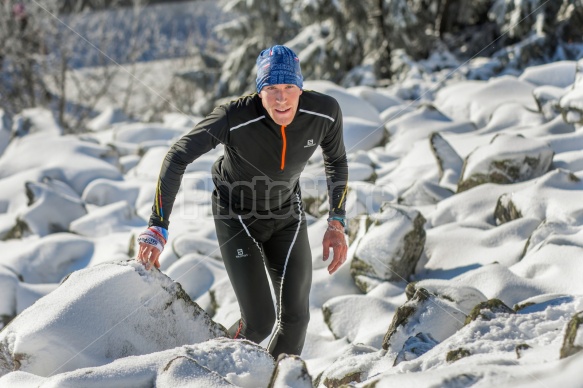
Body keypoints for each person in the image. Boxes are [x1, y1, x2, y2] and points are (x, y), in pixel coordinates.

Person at [136, 45, 349, 358]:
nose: (281, 98)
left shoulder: (324, 113)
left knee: (296, 320)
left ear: (300, 88)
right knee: (259, 323)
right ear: (259, 91)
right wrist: (158, 226)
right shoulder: (233, 117)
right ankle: (207, 366)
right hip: (235, 215)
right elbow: (177, 155)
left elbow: (337, 160)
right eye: (271, 88)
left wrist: (337, 222)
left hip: (286, 215)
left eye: (289, 87)